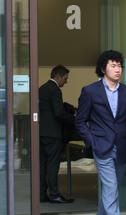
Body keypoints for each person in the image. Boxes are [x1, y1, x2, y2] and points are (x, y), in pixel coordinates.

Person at [75, 50, 126, 215]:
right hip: (102, 148)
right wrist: (92, 141)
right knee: (111, 189)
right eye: (113, 65)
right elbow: (80, 121)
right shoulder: (90, 91)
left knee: (109, 190)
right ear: (103, 68)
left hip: (122, 148)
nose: (117, 69)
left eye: (119, 66)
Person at [39, 65, 75, 204]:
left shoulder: (42, 89)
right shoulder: (55, 90)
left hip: (41, 132)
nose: (66, 82)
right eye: (65, 78)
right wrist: (74, 121)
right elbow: (58, 113)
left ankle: (41, 193)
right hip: (53, 133)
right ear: (58, 76)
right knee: (53, 165)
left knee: (42, 164)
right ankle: (54, 194)